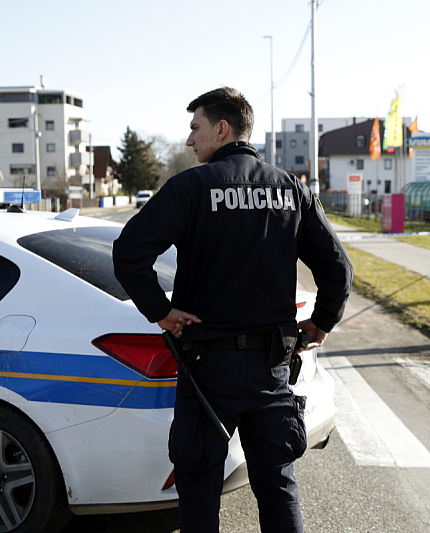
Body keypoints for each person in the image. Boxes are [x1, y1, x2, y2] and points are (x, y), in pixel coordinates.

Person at [112, 87, 353, 533]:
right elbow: (338, 268)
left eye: (195, 128)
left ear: (221, 128)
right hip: (272, 368)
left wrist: (161, 312)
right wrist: (321, 323)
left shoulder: (190, 188)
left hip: (207, 369)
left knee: (200, 491)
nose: (189, 141)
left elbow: (128, 252)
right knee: (277, 487)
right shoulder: (290, 190)